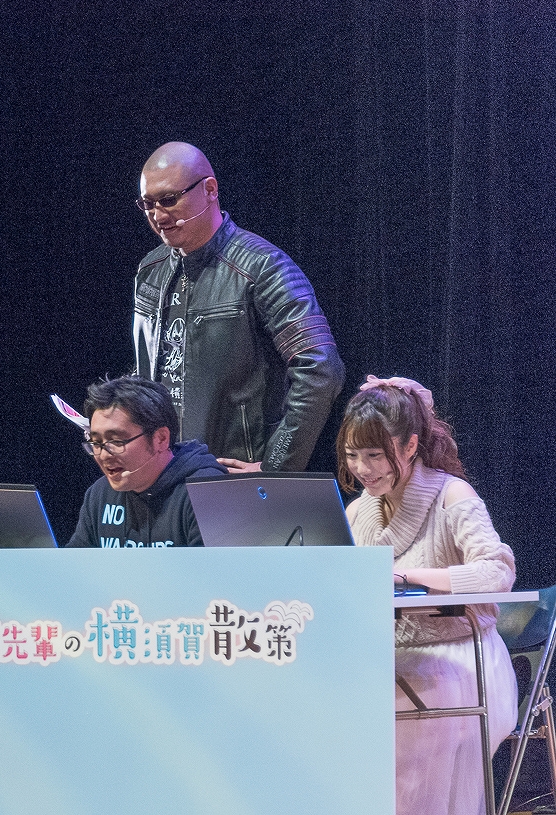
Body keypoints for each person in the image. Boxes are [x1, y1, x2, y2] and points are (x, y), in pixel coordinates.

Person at [337, 375, 517, 815]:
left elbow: (498, 571)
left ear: (410, 445)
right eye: (352, 455)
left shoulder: (451, 494)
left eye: (374, 455)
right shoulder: (358, 511)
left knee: (406, 741)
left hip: (460, 658)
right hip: (391, 659)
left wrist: (408, 576)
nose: (362, 468)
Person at [132, 141, 345, 473]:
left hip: (229, 478)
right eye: (148, 204)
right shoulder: (151, 269)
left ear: (210, 190)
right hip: (162, 475)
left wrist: (276, 468)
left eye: (169, 200)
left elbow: (321, 369)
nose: (158, 216)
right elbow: (152, 371)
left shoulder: (264, 267)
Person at [66, 375, 224, 548]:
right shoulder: (99, 494)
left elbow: (215, 565)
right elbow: (75, 562)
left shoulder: (206, 492)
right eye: (96, 443)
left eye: (116, 441)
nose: (103, 455)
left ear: (161, 439)